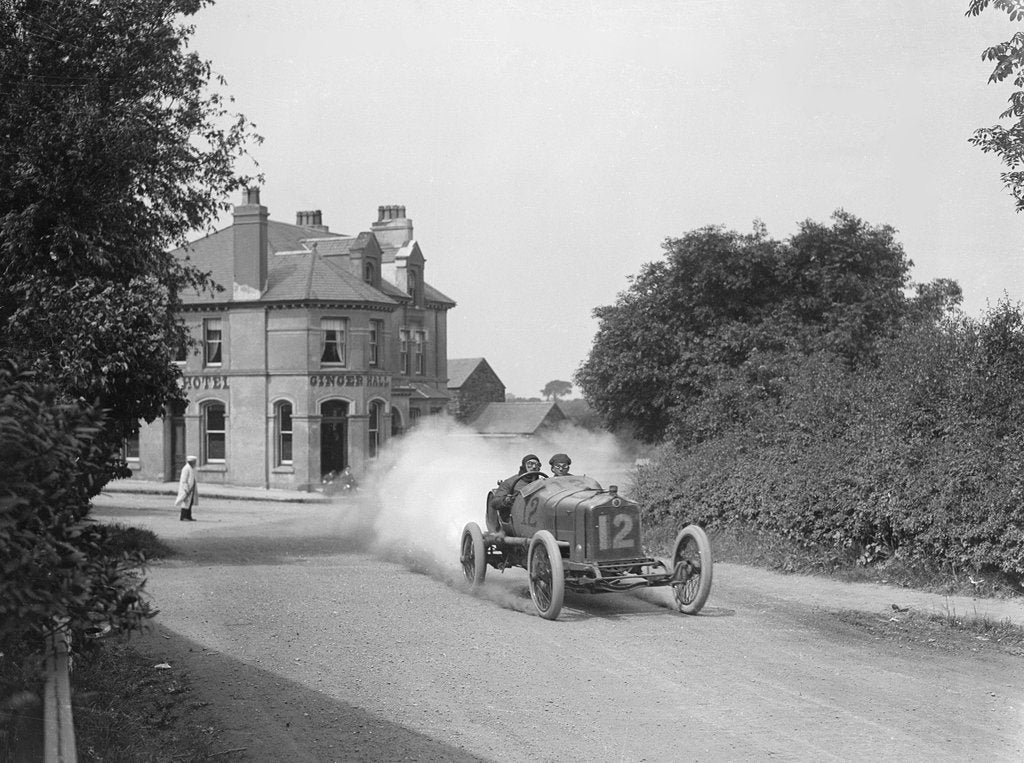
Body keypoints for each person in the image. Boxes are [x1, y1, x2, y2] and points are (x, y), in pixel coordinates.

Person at [175, 455, 198, 521]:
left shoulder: (191, 468)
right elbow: (184, 480)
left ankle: (188, 516)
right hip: (187, 490)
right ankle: (183, 517)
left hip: (191, 489)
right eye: (194, 462)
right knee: (185, 503)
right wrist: (186, 489)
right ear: (191, 462)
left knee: (190, 503)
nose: (195, 463)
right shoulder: (186, 469)